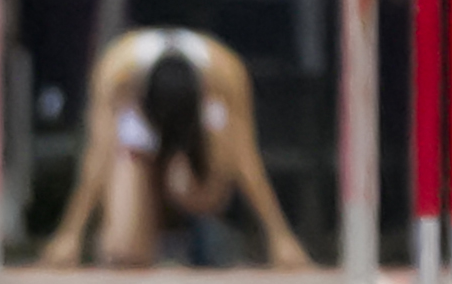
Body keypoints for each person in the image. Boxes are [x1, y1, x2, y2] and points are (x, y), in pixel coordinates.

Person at [40, 28, 312, 269]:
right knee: (122, 250)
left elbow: (245, 158)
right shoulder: (117, 73)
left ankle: (196, 229)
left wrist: (279, 235)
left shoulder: (224, 72)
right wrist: (70, 233)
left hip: (196, 143)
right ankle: (143, 228)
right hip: (139, 149)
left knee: (193, 182)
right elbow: (98, 157)